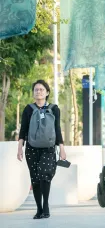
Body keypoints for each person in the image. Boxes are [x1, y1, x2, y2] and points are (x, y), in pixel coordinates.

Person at [17, 80, 66, 220]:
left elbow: (57, 129)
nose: (38, 91)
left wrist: (61, 148)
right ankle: (39, 208)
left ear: (47, 92)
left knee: (45, 174)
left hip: (49, 148)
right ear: (33, 93)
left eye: (41, 89)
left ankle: (46, 206)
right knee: (35, 179)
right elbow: (23, 129)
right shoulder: (28, 109)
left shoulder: (54, 108)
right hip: (31, 148)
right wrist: (19, 147)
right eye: (36, 89)